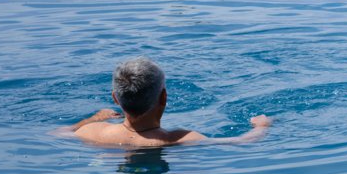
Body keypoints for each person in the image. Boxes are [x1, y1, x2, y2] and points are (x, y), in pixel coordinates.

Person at [59, 57, 271, 148]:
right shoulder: (179, 139)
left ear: (115, 98)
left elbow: (58, 134)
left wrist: (92, 119)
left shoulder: (92, 132)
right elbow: (243, 142)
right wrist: (262, 126)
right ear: (164, 97)